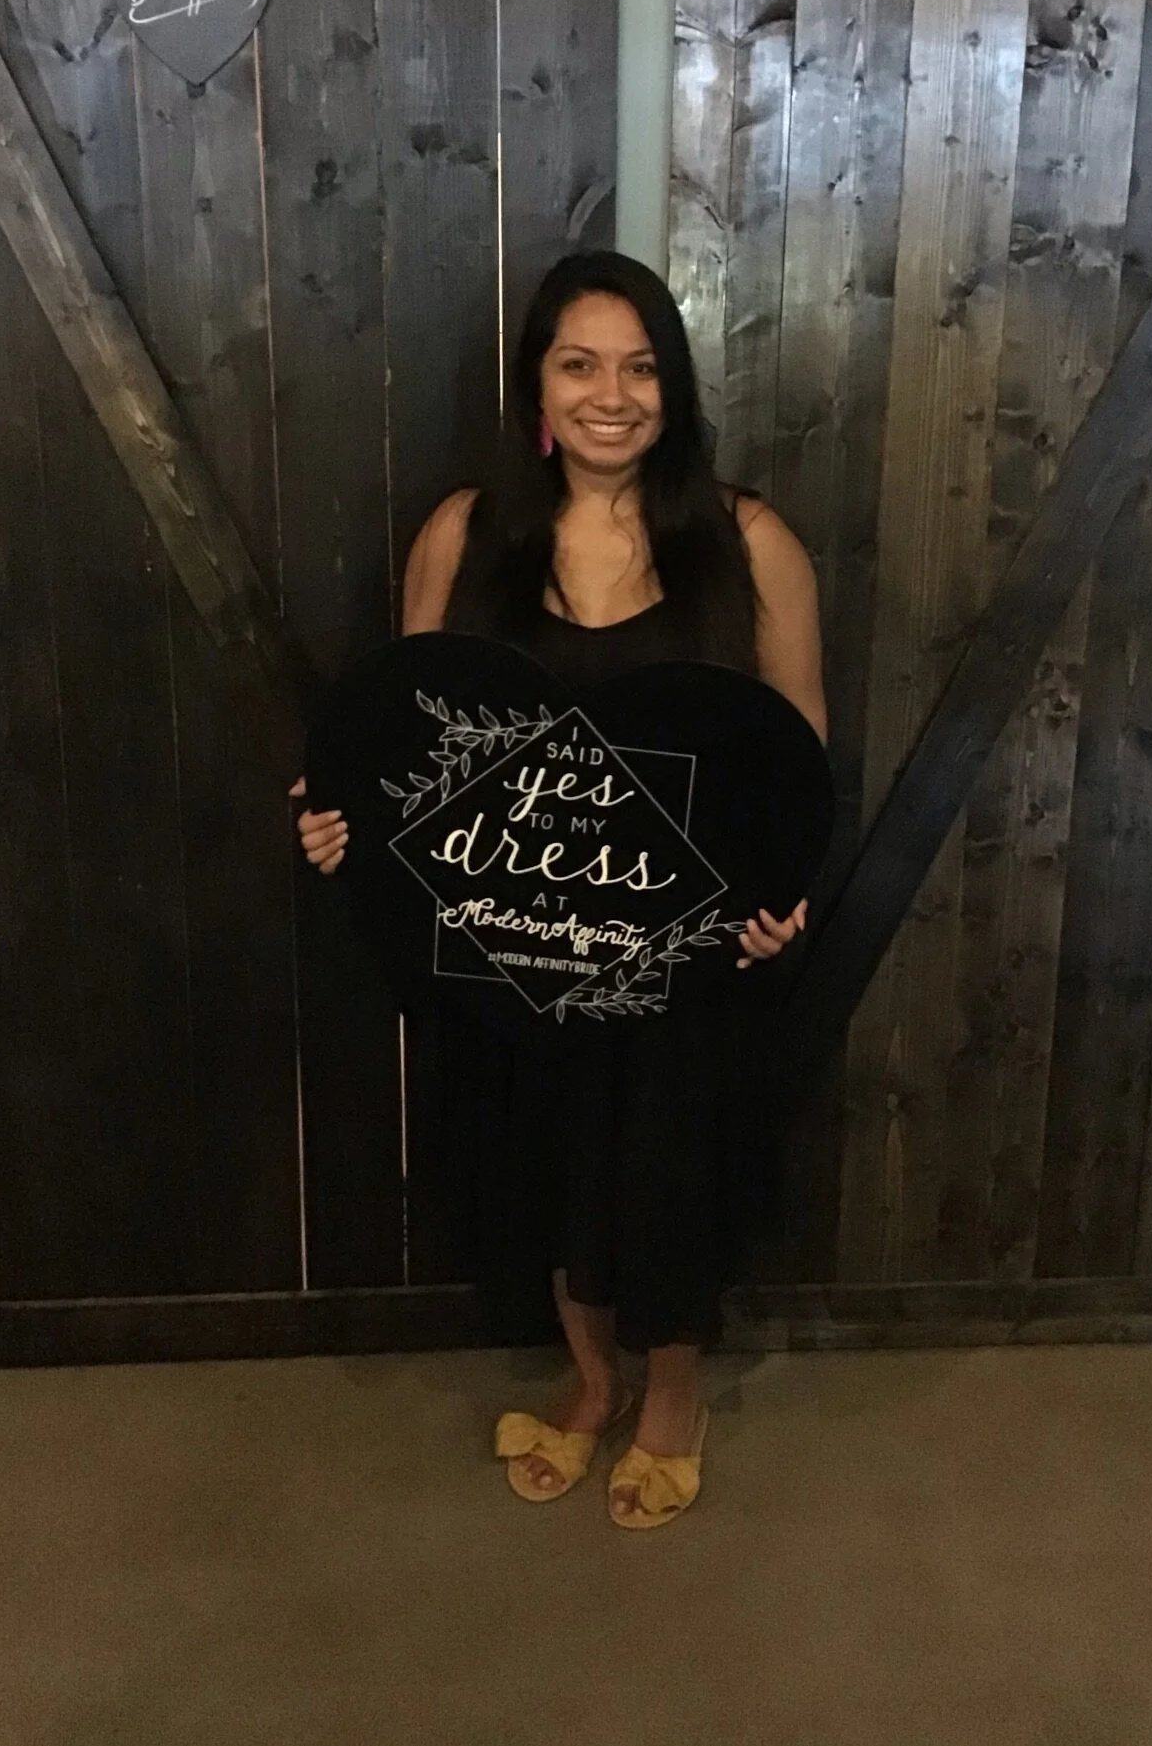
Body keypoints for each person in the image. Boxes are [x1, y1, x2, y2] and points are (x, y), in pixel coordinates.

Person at [293, 251, 825, 1528]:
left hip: (687, 955)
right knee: (544, 1170)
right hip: (516, 948)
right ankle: (592, 1386)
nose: (612, 395)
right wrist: (337, 824)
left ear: (675, 389)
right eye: (580, 363)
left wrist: (781, 901)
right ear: (538, 382)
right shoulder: (466, 534)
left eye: (642, 368)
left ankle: (672, 1401)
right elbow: (396, 750)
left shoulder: (748, 542)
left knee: (669, 1168)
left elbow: (797, 755)